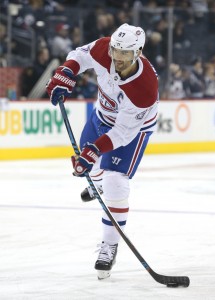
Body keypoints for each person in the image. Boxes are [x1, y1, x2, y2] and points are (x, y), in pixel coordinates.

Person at [46, 23, 159, 280]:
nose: (116, 58)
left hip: (133, 131)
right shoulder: (103, 48)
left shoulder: (144, 89)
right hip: (101, 116)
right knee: (90, 171)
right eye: (115, 50)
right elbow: (80, 54)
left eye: (124, 54)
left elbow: (122, 133)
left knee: (115, 182)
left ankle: (110, 245)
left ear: (138, 53)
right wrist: (67, 71)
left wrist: (94, 150)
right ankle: (97, 185)